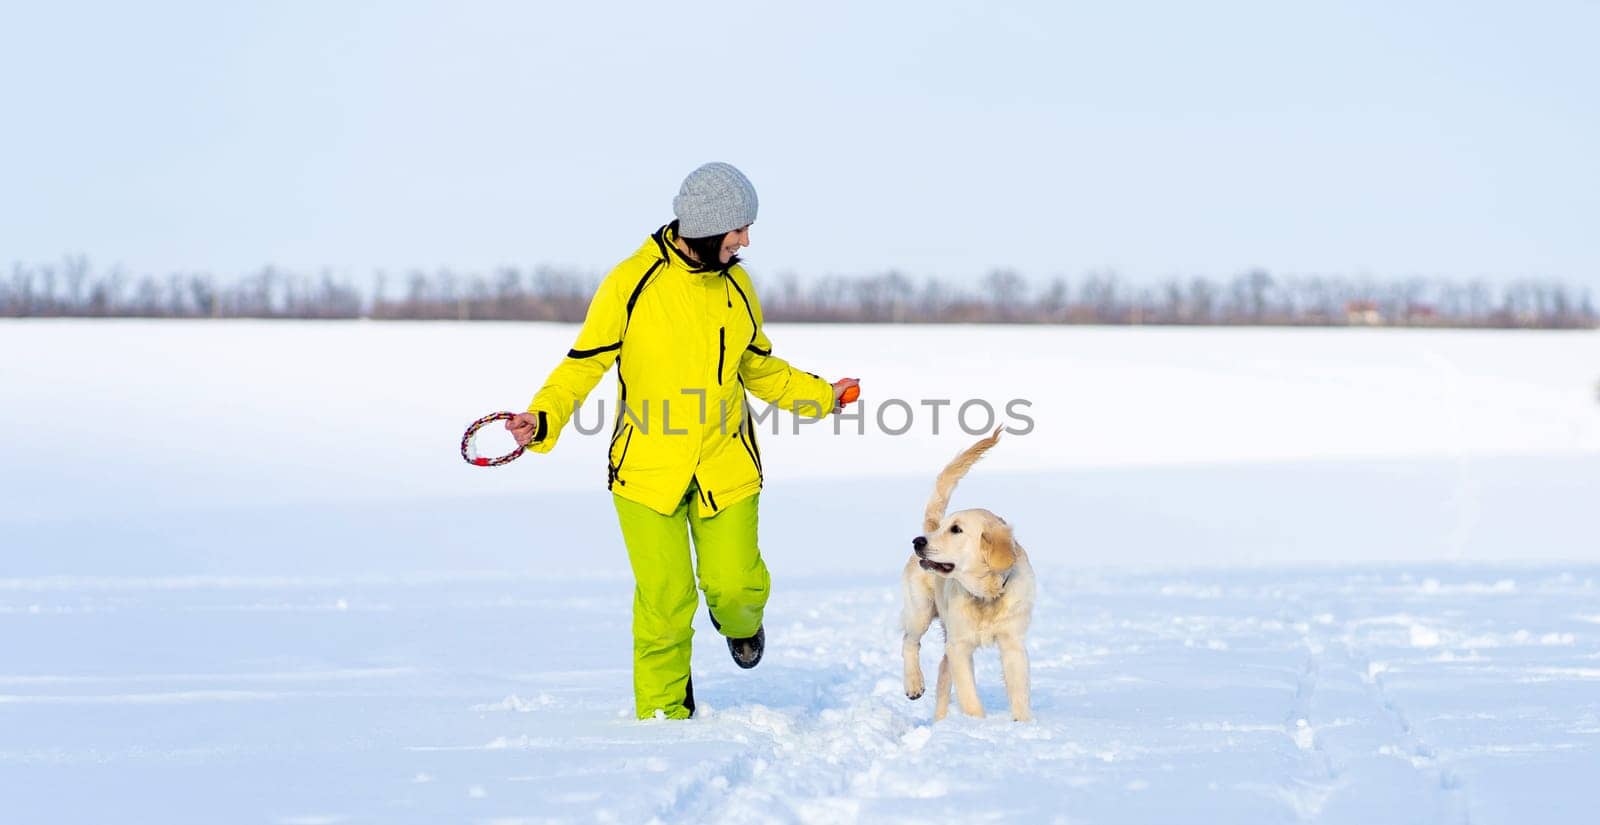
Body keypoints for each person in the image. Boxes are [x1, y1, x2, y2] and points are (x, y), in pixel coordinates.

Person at [506, 162, 859, 720]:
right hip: (647, 471)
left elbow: (759, 368)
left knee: (737, 589)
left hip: (725, 463)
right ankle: (664, 719)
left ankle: (740, 626)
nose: (746, 240)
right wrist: (542, 419)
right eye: (739, 228)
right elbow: (582, 366)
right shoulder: (632, 281)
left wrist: (824, 396)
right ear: (707, 225)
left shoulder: (738, 285)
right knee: (665, 602)